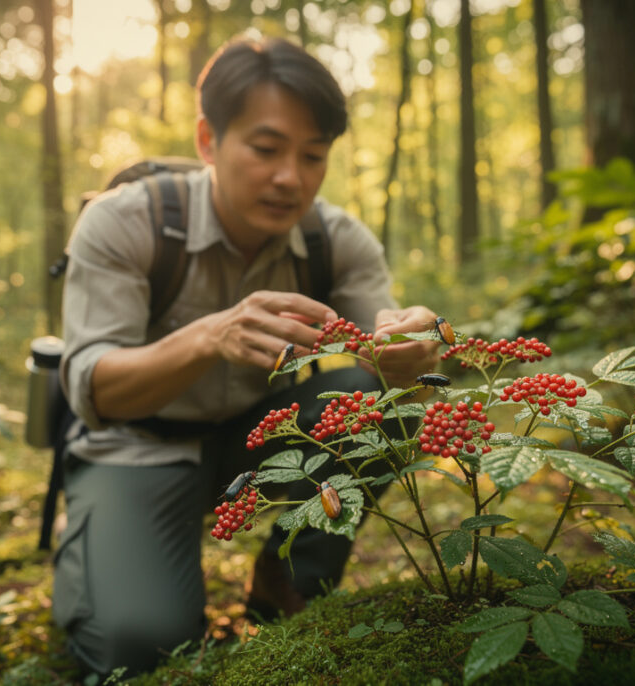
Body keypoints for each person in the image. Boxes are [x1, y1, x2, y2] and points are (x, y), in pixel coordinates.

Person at [53, 35, 442, 678]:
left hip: (254, 444)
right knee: (141, 648)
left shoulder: (336, 240)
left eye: (313, 156)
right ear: (208, 140)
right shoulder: (125, 225)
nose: (290, 177)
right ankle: (97, 549)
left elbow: (391, 354)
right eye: (266, 149)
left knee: (375, 408)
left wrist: (411, 353)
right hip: (136, 446)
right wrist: (210, 336)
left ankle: (290, 586)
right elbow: (94, 389)